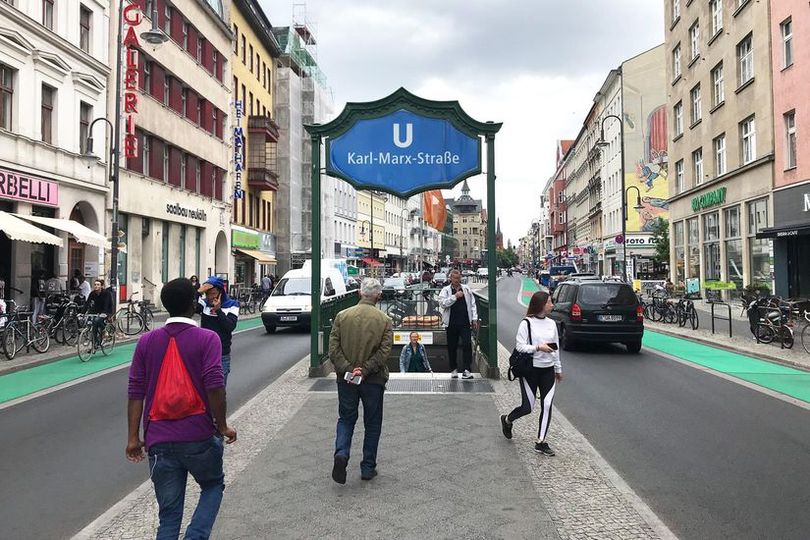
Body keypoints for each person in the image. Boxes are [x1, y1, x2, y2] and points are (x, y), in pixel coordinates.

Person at [126, 278, 237, 539]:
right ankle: (196, 536)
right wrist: (221, 426)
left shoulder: (146, 342)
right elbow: (215, 385)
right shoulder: (208, 339)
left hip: (158, 439)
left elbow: (135, 391)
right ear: (193, 305)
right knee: (212, 485)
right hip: (197, 434)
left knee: (169, 516)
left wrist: (133, 438)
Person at [328, 278, 392, 484]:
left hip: (346, 379)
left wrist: (349, 369)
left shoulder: (342, 316)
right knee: (372, 423)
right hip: (373, 379)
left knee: (346, 418)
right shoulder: (384, 320)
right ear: (378, 296)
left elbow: (333, 350)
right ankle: (367, 467)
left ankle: (342, 453)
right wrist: (364, 370)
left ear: (359, 293)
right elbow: (384, 353)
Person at [500, 290, 563, 456]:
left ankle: (541, 442)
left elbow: (555, 347)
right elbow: (520, 346)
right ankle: (507, 419)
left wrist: (558, 368)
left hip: (548, 370)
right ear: (542, 305)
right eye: (549, 302)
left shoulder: (551, 324)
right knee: (528, 407)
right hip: (530, 370)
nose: (552, 305)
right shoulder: (526, 323)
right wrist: (537, 347)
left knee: (547, 405)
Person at [196, 276, 239, 386]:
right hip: (204, 352)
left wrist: (218, 310)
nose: (210, 297)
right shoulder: (204, 303)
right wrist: (198, 292)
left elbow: (230, 326)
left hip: (221, 353)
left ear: (220, 292)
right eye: (208, 293)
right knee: (202, 387)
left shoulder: (232, 304)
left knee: (219, 388)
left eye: (213, 293)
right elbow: (191, 307)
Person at [438, 269, 479, 379]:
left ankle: (467, 369)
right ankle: (453, 369)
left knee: (467, 344)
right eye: (454, 278)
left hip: (465, 322)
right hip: (451, 323)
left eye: (458, 278)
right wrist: (455, 296)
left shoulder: (466, 289)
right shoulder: (445, 290)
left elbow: (472, 304)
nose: (457, 280)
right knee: (452, 346)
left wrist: (474, 319)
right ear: (450, 278)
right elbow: (442, 304)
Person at [86, 279, 114, 346]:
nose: (96, 286)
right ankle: (95, 342)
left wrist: (104, 313)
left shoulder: (106, 293)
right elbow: (87, 303)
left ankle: (105, 331)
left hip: (107, 311)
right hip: (96, 311)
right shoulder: (92, 293)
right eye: (95, 284)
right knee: (92, 323)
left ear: (101, 286)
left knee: (97, 320)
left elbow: (106, 304)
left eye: (98, 285)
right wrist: (82, 313)